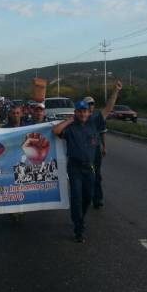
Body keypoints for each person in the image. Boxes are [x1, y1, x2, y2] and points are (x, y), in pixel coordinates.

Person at [53, 80, 122, 243]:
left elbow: (108, 108)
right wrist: (69, 120)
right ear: (76, 112)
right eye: (80, 111)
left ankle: (80, 217)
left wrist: (116, 91)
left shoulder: (94, 123)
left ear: (89, 113)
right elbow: (55, 131)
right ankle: (79, 228)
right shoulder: (70, 128)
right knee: (77, 197)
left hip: (89, 168)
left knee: (87, 198)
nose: (83, 114)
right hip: (75, 168)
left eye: (85, 111)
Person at [84, 96, 107, 209]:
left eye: (92, 104)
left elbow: (102, 132)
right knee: (88, 174)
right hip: (85, 151)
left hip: (96, 149)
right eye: (88, 104)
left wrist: (104, 146)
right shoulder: (81, 117)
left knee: (97, 174)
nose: (90, 106)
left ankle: (97, 199)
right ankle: (86, 196)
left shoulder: (98, 117)